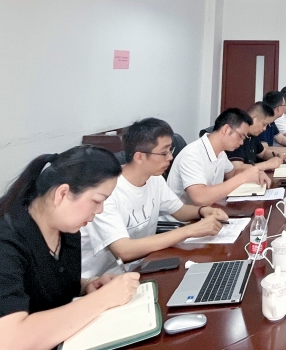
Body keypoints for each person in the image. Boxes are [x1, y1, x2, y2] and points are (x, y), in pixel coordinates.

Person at [0, 146, 141, 349]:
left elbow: (43, 283)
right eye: (97, 200)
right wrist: (103, 299)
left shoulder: (68, 230)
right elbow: (5, 340)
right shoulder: (1, 244)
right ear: (62, 193)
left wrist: (87, 285)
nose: (100, 210)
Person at [81, 119, 229, 278]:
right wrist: (191, 230)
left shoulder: (154, 178)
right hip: (99, 280)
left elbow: (179, 211)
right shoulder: (107, 191)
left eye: (170, 150)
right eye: (164, 153)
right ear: (139, 157)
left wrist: (203, 211)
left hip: (141, 266)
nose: (170, 157)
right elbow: (124, 250)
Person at [167, 108, 269, 207]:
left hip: (211, 210)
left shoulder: (220, 153)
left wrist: (254, 173)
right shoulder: (192, 155)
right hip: (188, 217)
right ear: (226, 129)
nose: (242, 142)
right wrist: (243, 178)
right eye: (240, 136)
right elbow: (200, 198)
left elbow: (232, 174)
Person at [227, 102, 286, 172]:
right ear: (254, 119)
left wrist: (279, 155)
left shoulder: (253, 135)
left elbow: (263, 153)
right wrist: (267, 165)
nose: (264, 129)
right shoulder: (237, 136)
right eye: (264, 124)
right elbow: (237, 168)